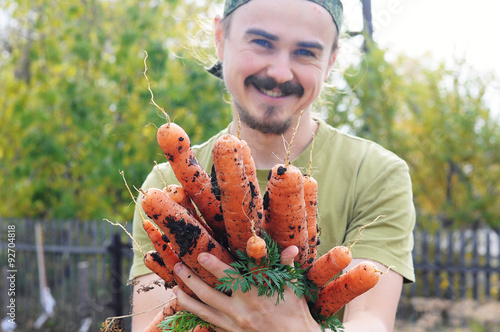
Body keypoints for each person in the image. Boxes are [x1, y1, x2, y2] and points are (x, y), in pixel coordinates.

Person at [129, 0, 415, 330]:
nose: (280, 72)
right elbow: (152, 322)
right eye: (262, 43)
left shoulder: (376, 173)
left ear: (331, 61)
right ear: (220, 38)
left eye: (306, 52)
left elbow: (369, 321)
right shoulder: (164, 184)